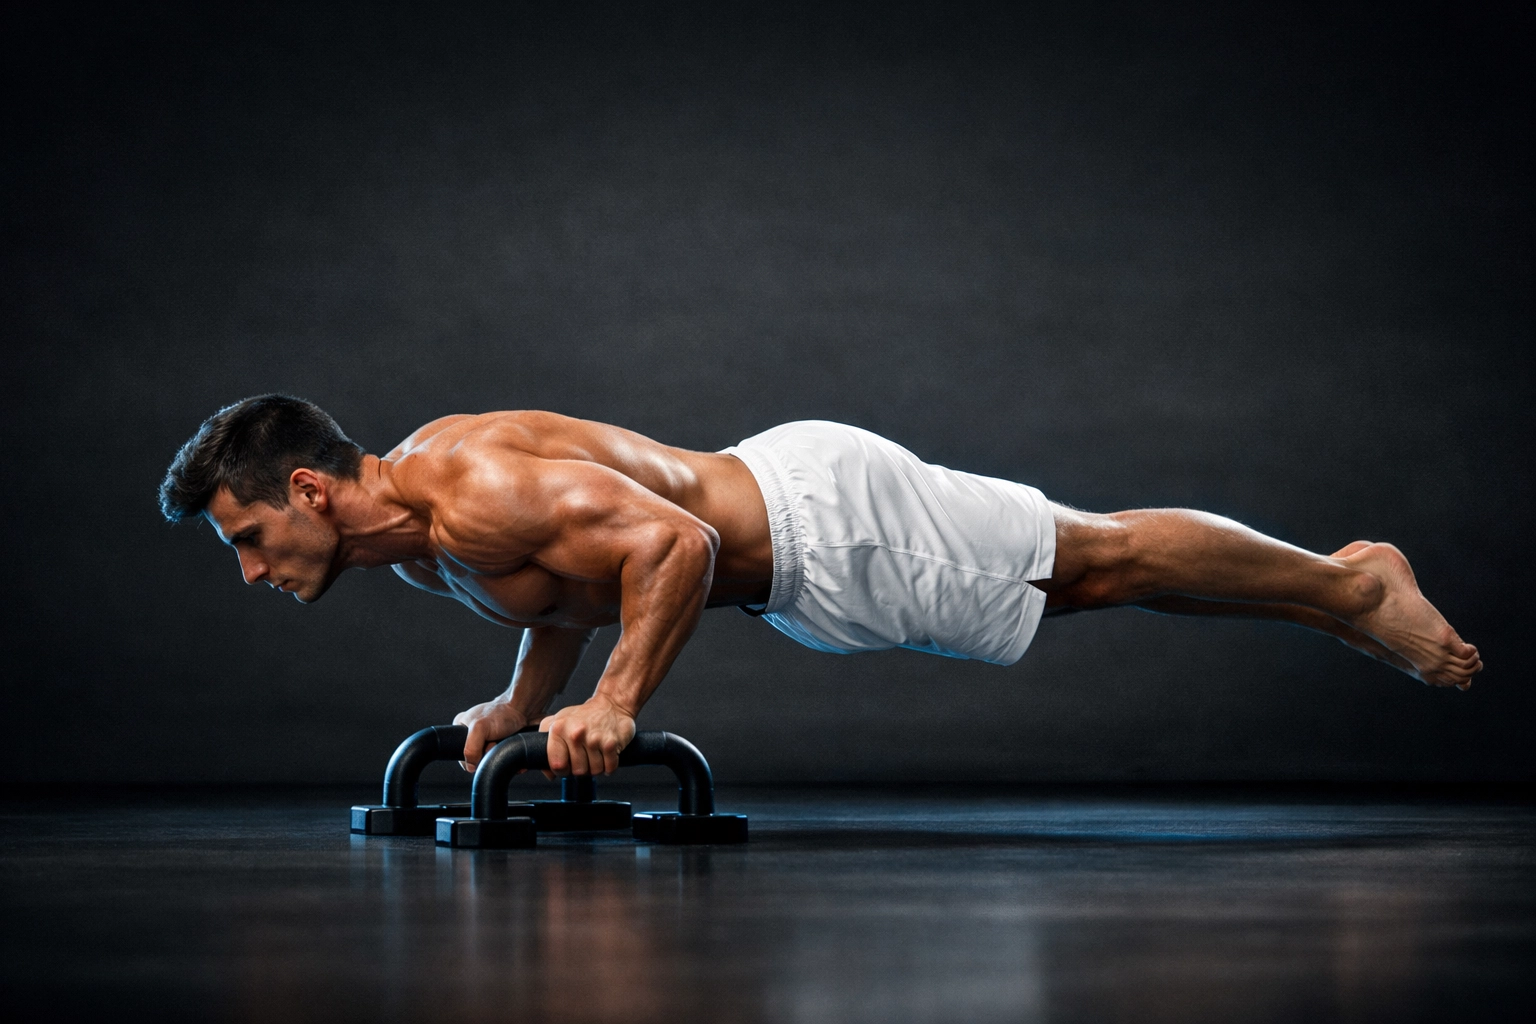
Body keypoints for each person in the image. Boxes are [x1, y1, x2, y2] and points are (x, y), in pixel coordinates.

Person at [158, 395, 1481, 776]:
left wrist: (618, 705)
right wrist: (521, 708)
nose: (250, 569)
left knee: (1096, 560)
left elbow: (664, 546)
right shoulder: (415, 544)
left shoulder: (473, 483)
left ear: (313, 494)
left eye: (248, 537)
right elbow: (566, 593)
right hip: (803, 572)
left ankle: (1352, 585)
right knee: (1082, 581)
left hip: (819, 521)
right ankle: (1333, 597)